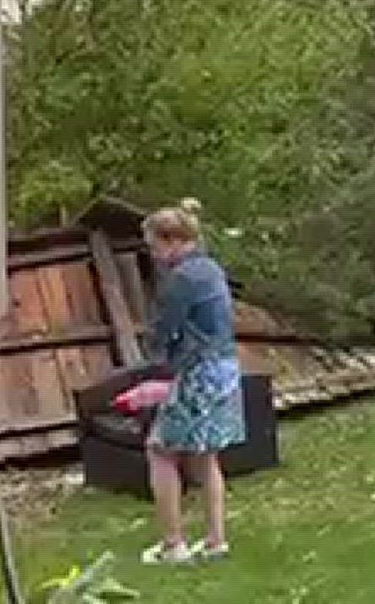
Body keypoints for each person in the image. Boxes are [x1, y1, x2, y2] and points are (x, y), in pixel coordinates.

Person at [139, 198, 245, 566]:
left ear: (171, 242)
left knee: (161, 449)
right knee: (205, 454)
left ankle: (173, 546)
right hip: (225, 366)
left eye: (154, 246)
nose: (153, 255)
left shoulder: (182, 278)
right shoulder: (211, 268)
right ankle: (216, 541)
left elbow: (165, 330)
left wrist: (152, 365)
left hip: (199, 369)